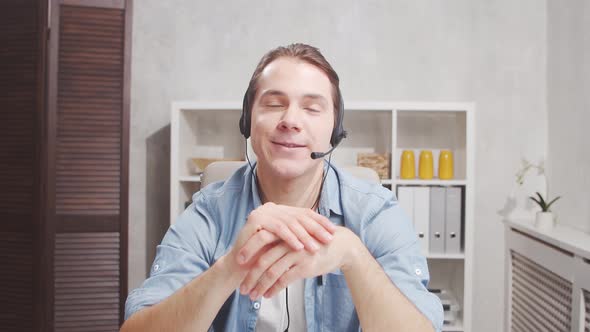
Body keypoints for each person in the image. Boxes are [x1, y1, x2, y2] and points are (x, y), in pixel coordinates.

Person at [121, 43, 443, 332]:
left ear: (335, 129)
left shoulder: (376, 211)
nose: (290, 120)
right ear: (248, 120)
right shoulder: (208, 212)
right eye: (274, 104)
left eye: (312, 108)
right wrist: (233, 266)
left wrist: (353, 256)